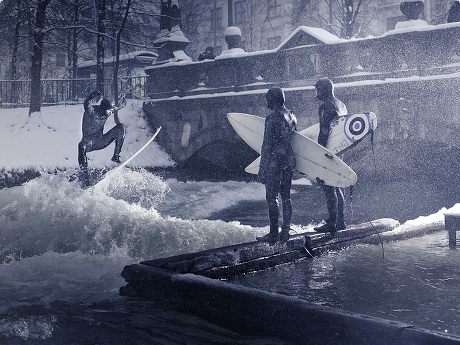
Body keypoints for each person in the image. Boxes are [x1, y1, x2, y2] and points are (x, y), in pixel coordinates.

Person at [257, 87, 297, 244]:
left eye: (267, 98)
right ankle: (285, 231)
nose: (266, 101)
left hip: (276, 160)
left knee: (272, 197)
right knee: (286, 196)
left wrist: (262, 168)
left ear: (273, 99)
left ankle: (273, 234)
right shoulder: (292, 116)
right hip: (290, 159)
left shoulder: (272, 117)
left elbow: (267, 144)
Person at [313, 79, 348, 235]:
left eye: (316, 90)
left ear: (322, 90)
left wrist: (320, 151)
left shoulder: (325, 106)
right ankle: (340, 221)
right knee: (337, 184)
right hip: (339, 151)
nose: (315, 93)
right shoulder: (341, 104)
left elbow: (324, 131)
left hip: (328, 151)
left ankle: (332, 223)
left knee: (328, 186)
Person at [78, 90, 126, 171]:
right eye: (108, 110)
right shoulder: (91, 111)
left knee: (121, 127)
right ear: (103, 108)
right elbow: (87, 103)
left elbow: (120, 106)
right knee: (81, 146)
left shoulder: (109, 111)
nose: (109, 112)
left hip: (101, 141)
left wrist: (124, 101)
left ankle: (116, 156)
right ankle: (84, 174)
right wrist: (92, 96)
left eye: (110, 110)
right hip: (89, 143)